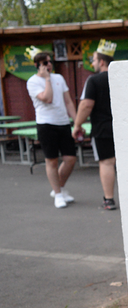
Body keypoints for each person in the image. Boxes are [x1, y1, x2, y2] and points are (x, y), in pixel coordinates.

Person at [25, 47, 78, 209]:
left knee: (70, 159)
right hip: (46, 124)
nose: (49, 65)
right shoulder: (33, 82)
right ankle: (58, 194)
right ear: (37, 65)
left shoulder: (59, 78)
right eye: (45, 62)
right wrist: (47, 79)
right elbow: (47, 98)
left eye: (50, 62)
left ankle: (58, 188)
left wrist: (77, 122)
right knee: (52, 160)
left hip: (63, 123)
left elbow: (68, 101)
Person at [72, 39, 117, 210]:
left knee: (107, 163)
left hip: (102, 129)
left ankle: (109, 200)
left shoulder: (94, 80)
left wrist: (77, 125)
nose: (92, 63)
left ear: (102, 62)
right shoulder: (122, 78)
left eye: (94, 60)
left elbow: (86, 105)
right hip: (124, 128)